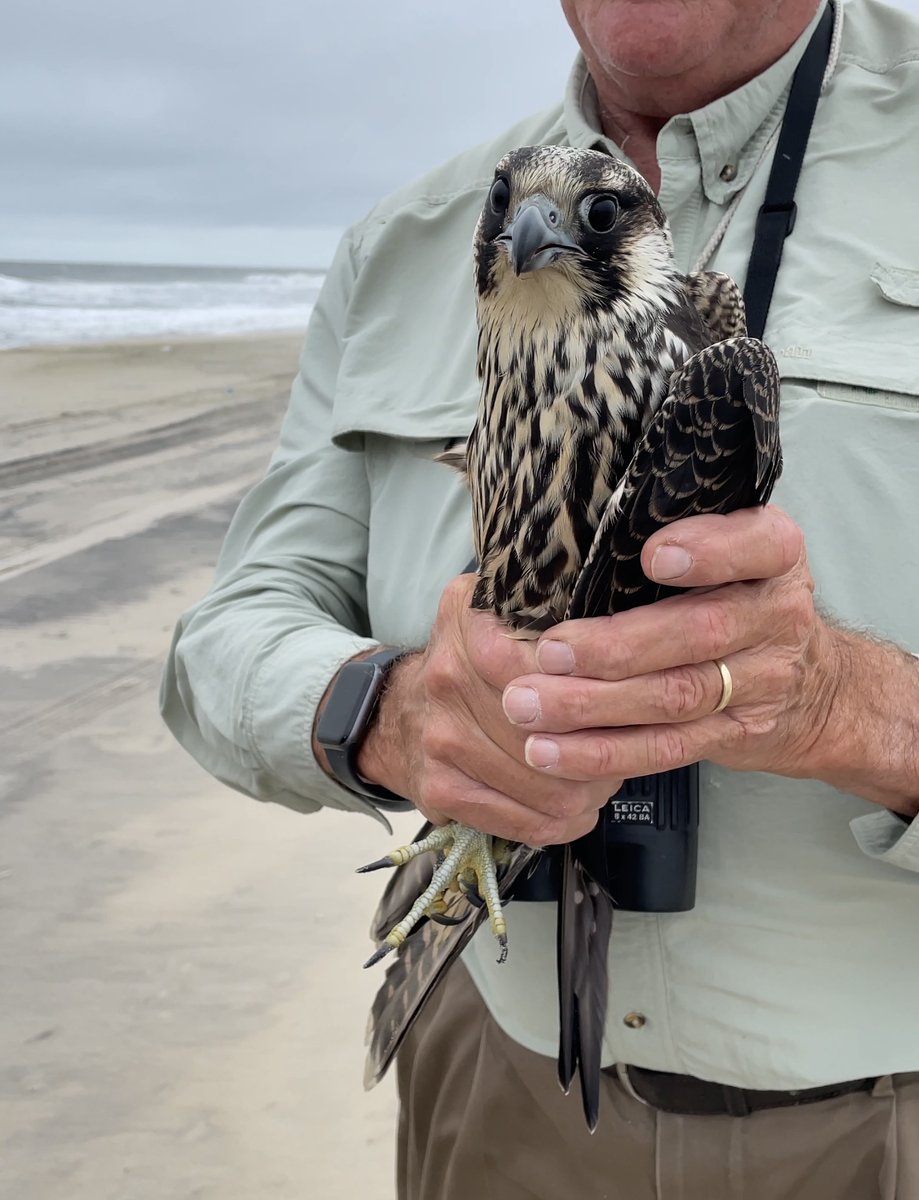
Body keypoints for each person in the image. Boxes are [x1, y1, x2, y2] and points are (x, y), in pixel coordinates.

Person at [161, 0, 919, 1194]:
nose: (538, 237)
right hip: (493, 1073)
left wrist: (851, 708)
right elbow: (226, 638)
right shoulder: (403, 240)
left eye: (582, 226)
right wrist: (384, 711)